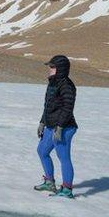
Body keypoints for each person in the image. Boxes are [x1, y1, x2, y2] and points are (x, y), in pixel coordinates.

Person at [34, 54, 78, 198]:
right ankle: (49, 182)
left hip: (65, 127)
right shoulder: (52, 83)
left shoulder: (67, 85)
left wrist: (60, 127)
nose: (49, 69)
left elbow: (67, 108)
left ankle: (67, 189)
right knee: (42, 150)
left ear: (61, 69)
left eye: (52, 67)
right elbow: (48, 106)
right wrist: (42, 122)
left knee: (63, 156)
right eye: (49, 66)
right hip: (51, 125)